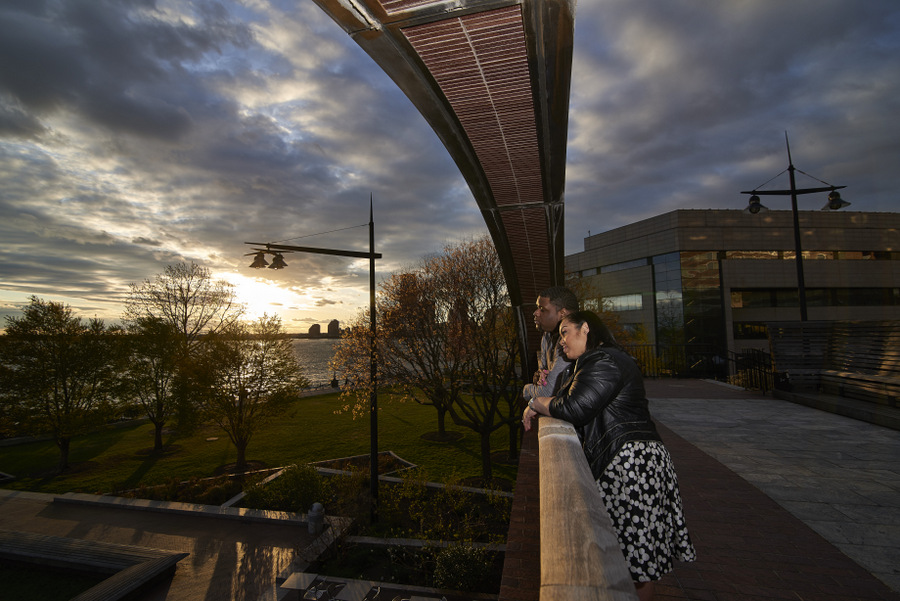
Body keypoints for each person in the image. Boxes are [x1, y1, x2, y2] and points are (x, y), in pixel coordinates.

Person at [522, 310, 696, 601]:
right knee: (634, 562)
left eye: (565, 332)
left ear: (586, 328)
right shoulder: (597, 361)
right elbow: (565, 397)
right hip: (627, 461)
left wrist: (534, 402)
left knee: (636, 566)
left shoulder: (604, 360)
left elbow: (574, 407)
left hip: (631, 466)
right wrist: (542, 399)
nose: (561, 341)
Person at [521, 286, 579, 403]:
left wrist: (525, 390)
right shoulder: (547, 336)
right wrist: (539, 377)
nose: (535, 312)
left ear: (562, 313)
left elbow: (548, 392)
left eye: (542, 309)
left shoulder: (569, 342)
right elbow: (542, 375)